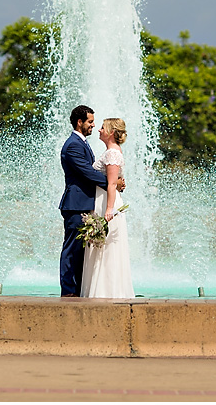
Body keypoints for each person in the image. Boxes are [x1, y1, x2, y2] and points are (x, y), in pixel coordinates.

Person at [58, 105, 124, 297]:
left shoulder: (82, 143)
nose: (93, 125)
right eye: (90, 122)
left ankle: (78, 291)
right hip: (76, 204)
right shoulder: (73, 145)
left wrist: (114, 183)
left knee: (81, 252)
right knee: (72, 250)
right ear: (80, 122)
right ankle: (69, 292)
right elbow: (86, 173)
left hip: (85, 204)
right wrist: (112, 183)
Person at [81, 118, 135, 298]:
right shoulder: (111, 151)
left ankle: (105, 292)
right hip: (103, 200)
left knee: (106, 248)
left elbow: (111, 184)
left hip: (107, 202)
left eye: (103, 127)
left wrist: (108, 210)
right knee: (102, 248)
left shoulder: (112, 153)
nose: (99, 130)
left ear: (111, 132)